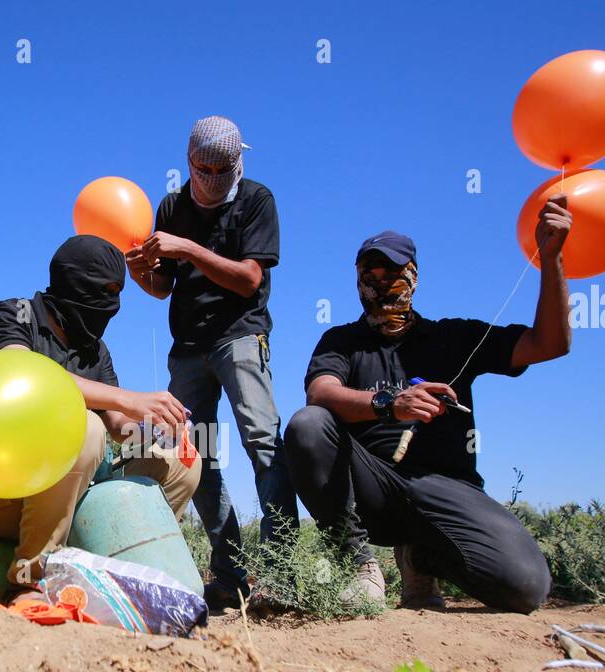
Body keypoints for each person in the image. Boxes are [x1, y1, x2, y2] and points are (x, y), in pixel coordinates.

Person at [283, 195, 573, 613]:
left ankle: (424, 557)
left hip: (447, 489)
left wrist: (552, 258)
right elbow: (321, 394)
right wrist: (390, 403)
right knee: (307, 425)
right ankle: (359, 565)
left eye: (394, 273)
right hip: (373, 486)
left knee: (526, 588)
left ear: (414, 276)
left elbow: (550, 343)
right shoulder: (341, 342)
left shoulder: (453, 337)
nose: (382, 284)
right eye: (371, 274)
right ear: (357, 281)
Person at [0, 235, 202, 599]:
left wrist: (155, 426)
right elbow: (22, 371)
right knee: (82, 428)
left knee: (182, 460)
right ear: (71, 281)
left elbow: (119, 428)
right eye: (101, 291)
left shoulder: (95, 351)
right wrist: (128, 398)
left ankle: (126, 571)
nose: (110, 305)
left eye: (117, 294)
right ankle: (30, 581)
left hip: (70, 493)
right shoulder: (16, 314)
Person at [125, 115, 297, 611]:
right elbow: (163, 289)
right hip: (188, 349)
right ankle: (229, 576)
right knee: (197, 457)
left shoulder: (257, 200)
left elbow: (248, 279)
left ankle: (282, 574)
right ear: (189, 162)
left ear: (239, 160)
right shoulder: (172, 206)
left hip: (240, 338)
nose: (216, 176)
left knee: (262, 441)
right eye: (206, 167)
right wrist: (142, 275)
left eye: (226, 167)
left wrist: (188, 248)